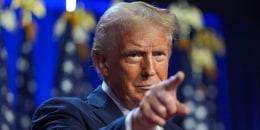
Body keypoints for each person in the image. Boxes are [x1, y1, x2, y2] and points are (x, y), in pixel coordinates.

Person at [31, 1, 189, 130]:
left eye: (158, 55)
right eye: (134, 55)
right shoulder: (61, 114)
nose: (149, 70)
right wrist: (135, 124)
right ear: (103, 62)